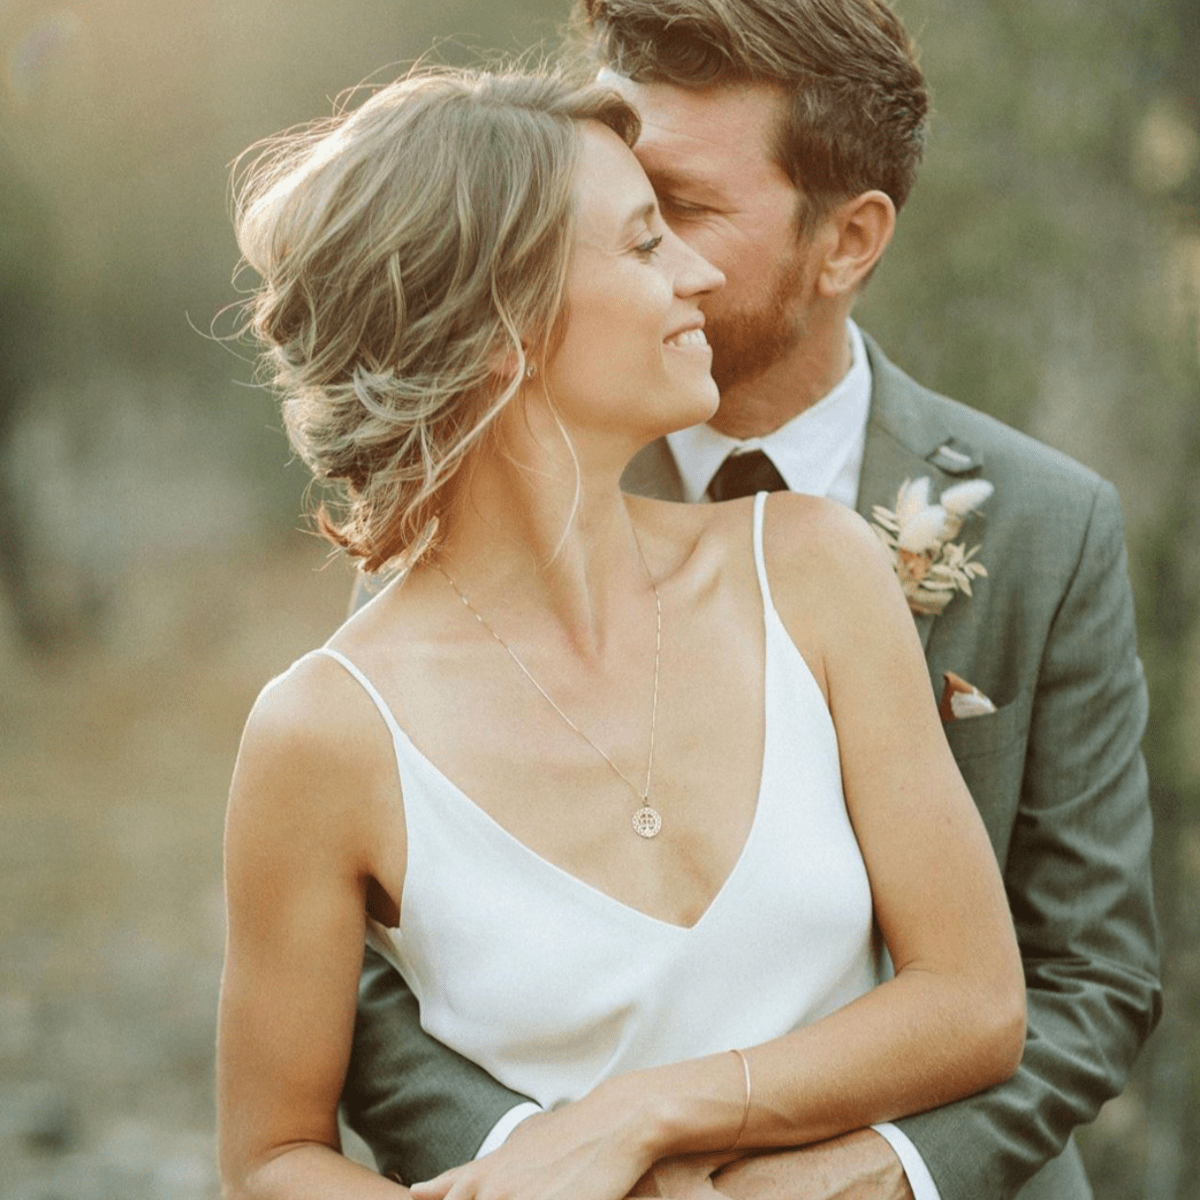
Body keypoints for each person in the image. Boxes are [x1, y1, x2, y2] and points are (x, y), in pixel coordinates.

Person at [339, 3, 1162, 1199]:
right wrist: (553, 1165)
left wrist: (886, 1169)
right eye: (620, 210)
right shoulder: (463, 523)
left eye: (682, 209)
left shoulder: (1046, 527)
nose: (651, 250)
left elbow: (1092, 974)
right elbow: (356, 964)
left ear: (847, 243)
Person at [217, 65, 1027, 1200]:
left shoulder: (813, 569)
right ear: (504, 328)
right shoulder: (323, 734)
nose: (699, 272)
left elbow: (976, 1001)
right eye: (647, 245)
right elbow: (271, 1158)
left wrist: (639, 1118)